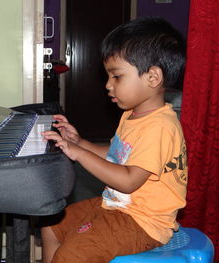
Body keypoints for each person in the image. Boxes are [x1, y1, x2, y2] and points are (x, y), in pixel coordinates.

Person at [41, 16, 188, 263]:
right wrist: (81, 143)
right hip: (118, 207)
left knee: (72, 255)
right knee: (53, 226)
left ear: (153, 77)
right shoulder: (132, 115)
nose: (108, 85)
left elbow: (129, 180)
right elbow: (118, 154)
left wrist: (80, 154)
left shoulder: (160, 127)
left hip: (143, 222)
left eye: (117, 76)